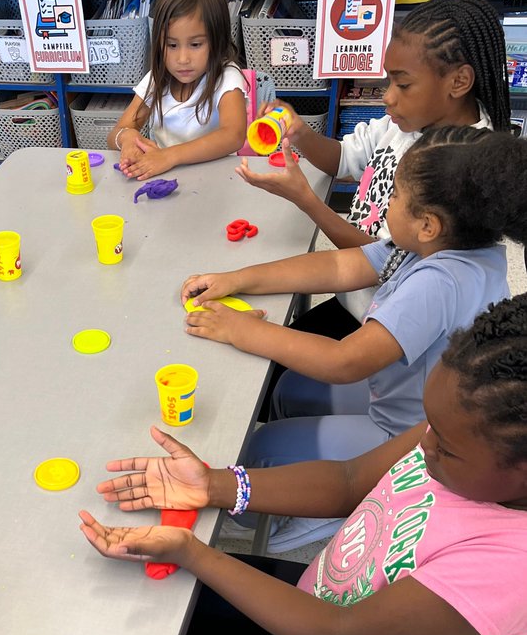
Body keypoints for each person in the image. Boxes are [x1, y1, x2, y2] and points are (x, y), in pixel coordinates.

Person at [78, 294, 527, 635]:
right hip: (309, 613)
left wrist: (198, 554)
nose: (425, 443)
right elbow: (347, 481)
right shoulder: (461, 433)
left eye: (446, 446)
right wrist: (216, 485)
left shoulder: (512, 565)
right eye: (430, 423)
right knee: (123, 617)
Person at [180, 126, 526, 552]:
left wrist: (244, 330)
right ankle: (304, 490)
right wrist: (237, 279)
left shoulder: (441, 281)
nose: (388, 203)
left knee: (261, 450)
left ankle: (328, 510)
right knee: (288, 390)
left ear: (428, 224)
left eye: (395, 196)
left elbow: (344, 362)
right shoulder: (442, 245)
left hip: (410, 434)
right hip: (401, 398)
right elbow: (340, 266)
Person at [237, 0, 510, 333]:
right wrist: (301, 131)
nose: (388, 97)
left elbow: (386, 261)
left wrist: (307, 201)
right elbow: (343, 158)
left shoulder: (462, 169)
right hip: (359, 299)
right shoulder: (408, 122)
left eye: (403, 84)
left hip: (393, 322)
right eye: (388, 80)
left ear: (459, 81)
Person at [106, 0, 248, 180]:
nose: (182, 59)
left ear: (217, 39)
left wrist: (170, 156)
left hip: (217, 181)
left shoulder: (227, 77)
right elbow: (116, 132)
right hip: (167, 179)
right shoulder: (157, 79)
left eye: (195, 44)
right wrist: (126, 138)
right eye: (172, 45)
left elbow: (233, 136)